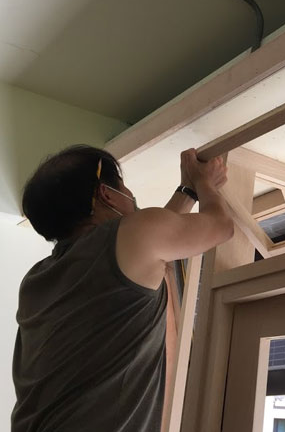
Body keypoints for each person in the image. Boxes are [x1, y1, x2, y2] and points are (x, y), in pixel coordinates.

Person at [11, 145, 234, 432]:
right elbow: (220, 226)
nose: (129, 193)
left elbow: (149, 249)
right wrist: (206, 183)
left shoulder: (35, 280)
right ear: (106, 193)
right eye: (123, 186)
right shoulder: (131, 238)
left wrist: (189, 190)